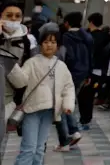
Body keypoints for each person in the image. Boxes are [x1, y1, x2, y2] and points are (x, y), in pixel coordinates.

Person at [7, 29, 75, 165]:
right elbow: (20, 81)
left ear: (58, 45)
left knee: (39, 148)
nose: (49, 45)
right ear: (40, 44)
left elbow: (68, 87)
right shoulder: (32, 62)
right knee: (29, 148)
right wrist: (12, 67)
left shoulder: (61, 66)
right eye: (46, 42)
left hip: (50, 111)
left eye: (53, 42)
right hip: (32, 110)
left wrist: (68, 105)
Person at [60, 11, 92, 147]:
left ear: (67, 23)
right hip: (83, 73)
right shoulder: (87, 36)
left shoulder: (67, 37)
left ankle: (72, 131)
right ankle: (71, 132)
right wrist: (89, 73)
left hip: (70, 73)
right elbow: (91, 56)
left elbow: (69, 56)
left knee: (63, 103)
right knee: (69, 101)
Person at [79, 13, 110, 127]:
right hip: (101, 70)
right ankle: (85, 119)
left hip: (89, 69)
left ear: (91, 22)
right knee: (89, 95)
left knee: (84, 96)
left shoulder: (89, 36)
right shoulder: (107, 36)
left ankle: (85, 119)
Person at [1, 1, 32, 115]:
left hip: (9, 96)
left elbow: (25, 66)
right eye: (8, 15)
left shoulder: (25, 41)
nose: (13, 19)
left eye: (17, 16)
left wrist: (18, 98)